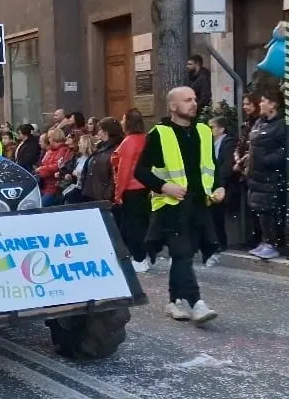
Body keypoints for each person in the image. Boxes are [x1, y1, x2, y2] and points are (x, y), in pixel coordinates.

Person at [134, 87, 223, 324]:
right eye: (187, 100)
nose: (194, 103)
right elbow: (140, 171)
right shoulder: (159, 134)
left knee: (184, 255)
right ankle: (196, 303)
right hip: (170, 206)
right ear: (173, 106)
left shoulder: (204, 131)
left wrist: (219, 187)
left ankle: (174, 302)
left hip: (198, 204)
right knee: (182, 253)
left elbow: (213, 165)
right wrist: (164, 187)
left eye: (195, 98)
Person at [245, 90, 288, 260]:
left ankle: (272, 242)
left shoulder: (282, 125)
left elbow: (285, 149)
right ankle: (264, 240)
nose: (260, 104)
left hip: (270, 176)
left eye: (263, 100)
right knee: (259, 210)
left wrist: (267, 160)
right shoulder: (259, 122)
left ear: (273, 104)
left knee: (268, 210)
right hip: (256, 175)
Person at [112, 109, 151, 272]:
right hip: (144, 187)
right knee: (141, 224)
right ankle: (144, 257)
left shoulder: (129, 141)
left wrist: (118, 193)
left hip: (131, 188)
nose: (121, 122)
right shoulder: (144, 139)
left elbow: (124, 170)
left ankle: (139, 258)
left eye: (123, 119)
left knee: (131, 227)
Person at [204, 115, 237, 266]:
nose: (209, 130)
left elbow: (226, 165)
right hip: (210, 184)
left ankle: (221, 243)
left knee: (217, 215)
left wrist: (219, 184)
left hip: (222, 185)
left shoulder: (227, 142)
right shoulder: (210, 143)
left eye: (212, 127)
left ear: (221, 129)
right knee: (212, 215)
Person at [81, 118, 122, 204]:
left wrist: (107, 196)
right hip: (91, 195)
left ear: (106, 132)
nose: (97, 132)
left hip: (102, 199)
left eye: (99, 129)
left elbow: (114, 176)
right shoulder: (101, 148)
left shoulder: (116, 149)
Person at [36, 127, 72, 207]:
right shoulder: (50, 151)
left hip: (54, 186)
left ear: (55, 137)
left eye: (49, 137)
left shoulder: (63, 150)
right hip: (45, 185)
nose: (48, 140)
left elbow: (57, 166)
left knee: (43, 206)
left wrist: (42, 169)